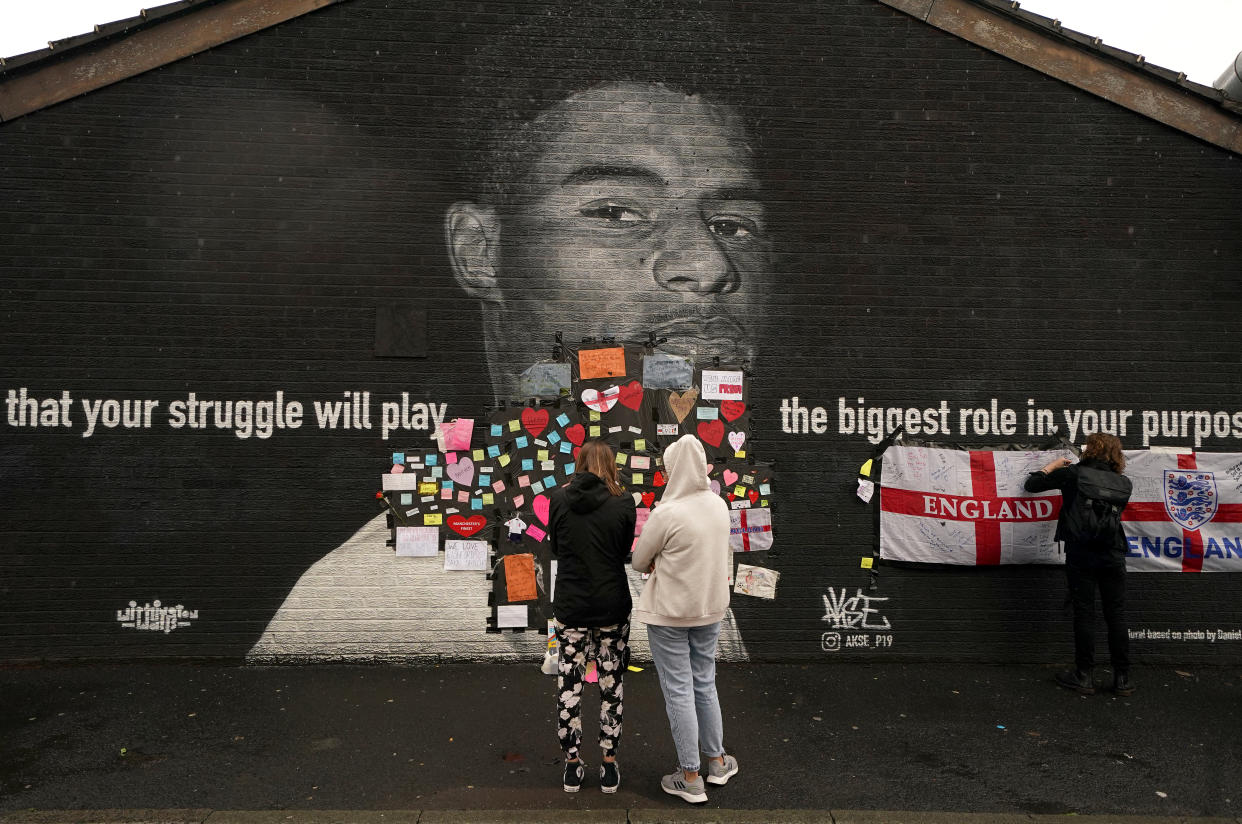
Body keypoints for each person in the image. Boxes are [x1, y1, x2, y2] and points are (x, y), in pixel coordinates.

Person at [631, 434, 739, 804]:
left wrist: (661, 560)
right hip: (710, 609)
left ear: (672, 469)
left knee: (679, 690)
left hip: (670, 614)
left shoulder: (667, 512)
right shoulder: (718, 505)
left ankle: (690, 777)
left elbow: (639, 560)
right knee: (704, 684)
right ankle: (718, 762)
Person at [547, 439, 637, 793]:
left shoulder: (558, 499)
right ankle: (610, 765)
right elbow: (625, 550)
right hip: (612, 605)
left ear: (579, 463)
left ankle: (572, 766)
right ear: (611, 465)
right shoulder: (624, 502)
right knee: (611, 683)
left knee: (569, 684)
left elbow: (555, 547)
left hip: (570, 606)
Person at [1025, 433, 1135, 697]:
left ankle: (1084, 676)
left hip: (1082, 553)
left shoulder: (1073, 474)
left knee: (1085, 613)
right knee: (1116, 615)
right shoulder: (1123, 482)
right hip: (1114, 553)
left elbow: (1032, 484)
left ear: (1091, 450)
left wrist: (1051, 467)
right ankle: (1122, 680)